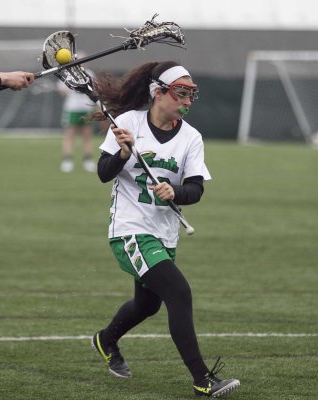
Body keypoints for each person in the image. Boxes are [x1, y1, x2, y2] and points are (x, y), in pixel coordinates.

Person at [90, 61, 240, 398]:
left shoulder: (191, 137)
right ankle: (203, 378)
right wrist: (124, 152)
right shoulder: (127, 123)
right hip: (129, 230)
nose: (187, 101)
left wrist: (177, 192)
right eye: (181, 93)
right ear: (158, 93)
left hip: (164, 233)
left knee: (147, 305)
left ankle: (106, 339)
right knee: (178, 292)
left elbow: (196, 190)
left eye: (192, 95)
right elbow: (104, 172)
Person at [57, 66, 97, 173]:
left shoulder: (89, 73)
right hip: (72, 108)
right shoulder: (67, 73)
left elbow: (94, 89)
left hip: (86, 107)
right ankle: (68, 160)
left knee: (87, 135)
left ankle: (88, 160)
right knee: (70, 134)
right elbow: (62, 91)